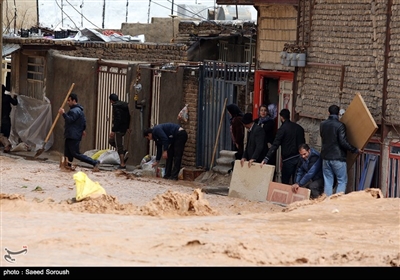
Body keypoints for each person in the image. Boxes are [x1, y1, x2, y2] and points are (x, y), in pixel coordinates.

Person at [320, 104, 362, 196]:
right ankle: (338, 202)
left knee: (328, 181)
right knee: (342, 181)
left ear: (328, 112)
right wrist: (354, 149)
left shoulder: (322, 124)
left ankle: (326, 202)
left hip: (325, 157)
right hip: (338, 158)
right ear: (339, 113)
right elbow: (343, 142)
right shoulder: (340, 125)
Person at [262, 108, 305, 184]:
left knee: (285, 182)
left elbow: (275, 145)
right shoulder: (299, 128)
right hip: (299, 158)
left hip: (288, 159)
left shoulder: (282, 129)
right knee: (297, 182)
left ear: (281, 117)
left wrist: (266, 158)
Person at [58, 93, 100, 171]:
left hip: (73, 135)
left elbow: (70, 120)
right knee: (67, 153)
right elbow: (83, 122)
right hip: (71, 134)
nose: (67, 102)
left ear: (74, 101)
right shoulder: (78, 110)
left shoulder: (75, 111)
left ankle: (94, 162)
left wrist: (63, 113)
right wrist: (82, 129)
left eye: (69, 100)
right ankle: (68, 166)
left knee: (75, 153)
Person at [108, 93, 131, 169]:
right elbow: (128, 116)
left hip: (118, 129)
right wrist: (127, 127)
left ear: (111, 100)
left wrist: (113, 130)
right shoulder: (125, 105)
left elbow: (117, 118)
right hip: (124, 128)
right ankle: (123, 152)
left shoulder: (116, 106)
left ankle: (122, 164)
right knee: (111, 141)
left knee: (118, 145)